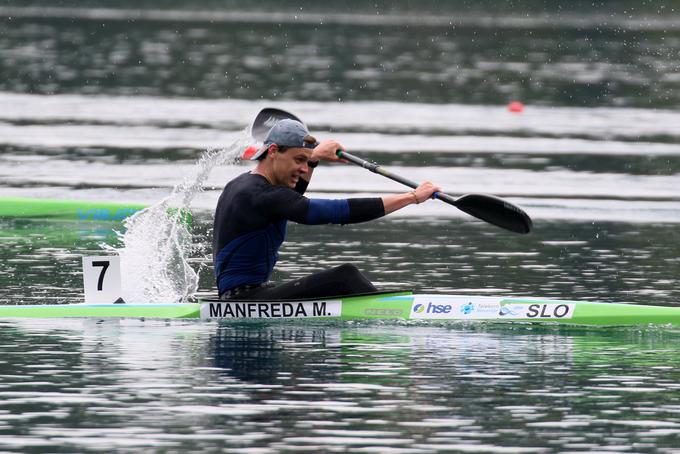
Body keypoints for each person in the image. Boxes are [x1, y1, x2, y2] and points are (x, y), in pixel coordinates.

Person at [213, 119, 440, 300]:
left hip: (243, 296)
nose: (303, 169)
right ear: (273, 151)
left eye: (306, 162)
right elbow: (334, 211)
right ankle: (389, 313)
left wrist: (314, 158)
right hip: (244, 301)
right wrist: (412, 197)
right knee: (345, 276)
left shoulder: (242, 184)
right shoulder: (262, 194)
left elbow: (288, 200)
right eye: (299, 160)